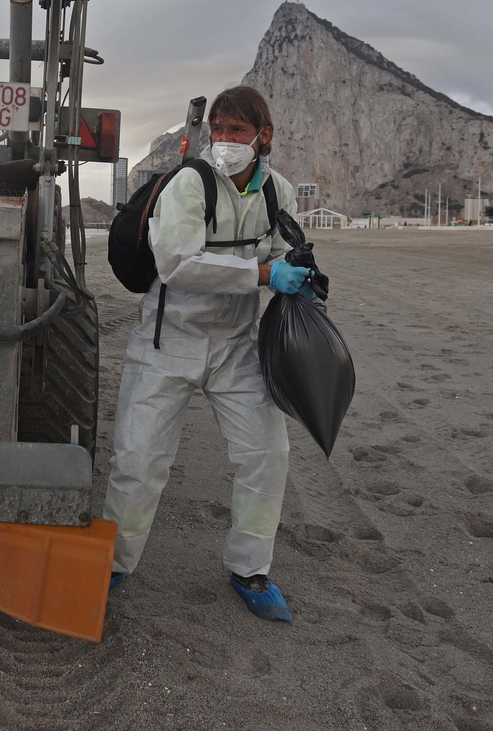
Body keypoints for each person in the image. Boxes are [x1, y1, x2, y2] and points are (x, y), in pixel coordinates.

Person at [101, 85, 307, 621]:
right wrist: (264, 274)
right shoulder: (189, 184)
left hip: (236, 346)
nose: (225, 141)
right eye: (218, 129)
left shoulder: (277, 192)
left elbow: (290, 248)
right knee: (138, 459)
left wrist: (299, 275)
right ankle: (114, 563)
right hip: (167, 341)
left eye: (237, 131)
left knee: (267, 454)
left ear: (264, 137)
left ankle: (251, 569)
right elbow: (176, 265)